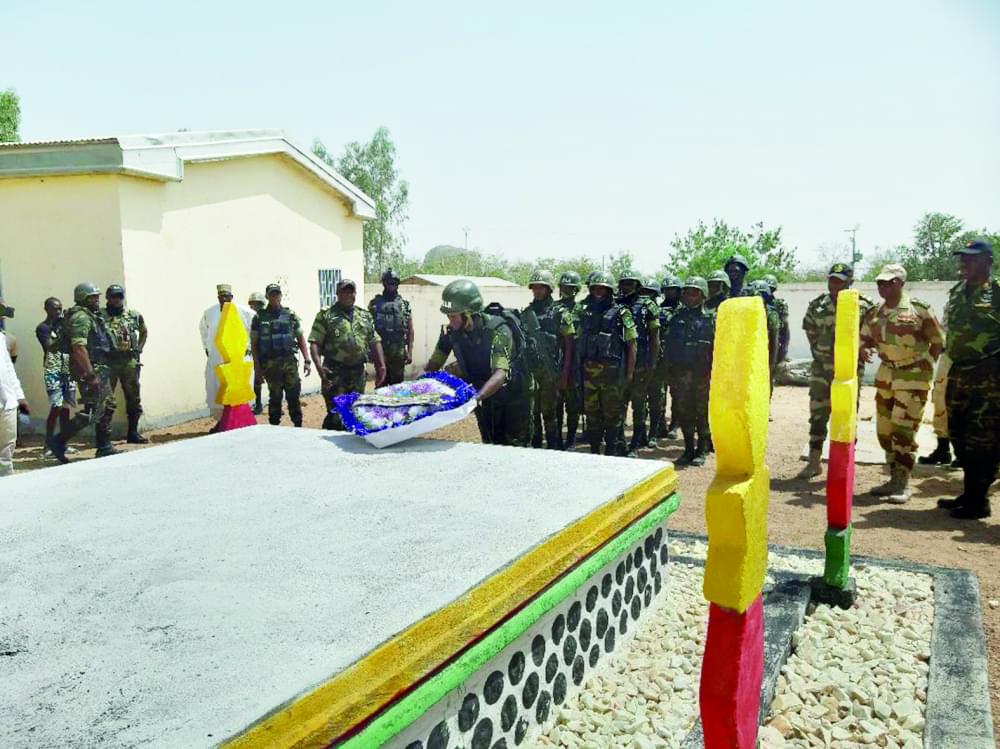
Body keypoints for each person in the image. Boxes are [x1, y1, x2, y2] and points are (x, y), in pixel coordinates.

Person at [859, 263, 943, 504]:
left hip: (913, 378)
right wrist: (863, 349)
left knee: (903, 429)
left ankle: (902, 482)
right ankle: (892, 478)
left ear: (900, 283)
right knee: (884, 430)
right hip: (886, 376)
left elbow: (937, 342)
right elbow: (863, 339)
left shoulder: (919, 310)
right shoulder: (875, 312)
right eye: (880, 283)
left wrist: (920, 367)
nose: (882, 286)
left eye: (888, 282)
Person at [425, 279, 534, 446]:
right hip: (486, 396)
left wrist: (476, 397)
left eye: (453, 316)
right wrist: (416, 390)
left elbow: (500, 373)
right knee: (490, 443)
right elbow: (433, 366)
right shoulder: (452, 333)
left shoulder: (498, 330)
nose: (450, 321)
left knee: (514, 449)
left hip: (513, 397)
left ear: (468, 314)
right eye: (448, 316)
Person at [936, 239, 999, 520]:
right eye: (962, 258)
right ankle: (970, 493)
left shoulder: (996, 293)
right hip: (959, 371)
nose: (964, 263)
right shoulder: (957, 291)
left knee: (982, 439)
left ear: (987, 260)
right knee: (959, 434)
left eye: (971, 258)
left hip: (989, 374)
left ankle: (978, 500)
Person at [798, 263, 874, 478]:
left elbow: (872, 334)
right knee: (818, 415)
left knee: (846, 417)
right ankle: (814, 462)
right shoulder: (818, 305)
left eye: (840, 281)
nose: (835, 284)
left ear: (850, 281)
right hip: (822, 370)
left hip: (848, 373)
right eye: (832, 279)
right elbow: (809, 330)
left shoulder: (864, 306)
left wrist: (863, 347)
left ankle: (842, 464)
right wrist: (821, 352)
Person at [46, 282, 118, 462]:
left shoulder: (91, 315)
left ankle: (103, 446)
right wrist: (90, 374)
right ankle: (58, 441)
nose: (96, 300)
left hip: (97, 366)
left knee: (104, 406)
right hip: (89, 369)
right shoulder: (81, 317)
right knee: (95, 408)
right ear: (82, 298)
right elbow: (79, 348)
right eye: (92, 297)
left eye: (96, 296)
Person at [309, 279, 386, 430]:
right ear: (337, 294)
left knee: (355, 412)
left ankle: (350, 448)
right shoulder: (326, 316)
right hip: (335, 373)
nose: (348, 294)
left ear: (355, 294)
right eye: (344, 291)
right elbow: (315, 343)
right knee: (337, 415)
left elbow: (374, 340)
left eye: (351, 291)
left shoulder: (364, 316)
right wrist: (319, 368)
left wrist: (381, 366)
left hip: (357, 373)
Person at [576, 271, 636, 455]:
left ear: (610, 290)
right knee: (592, 415)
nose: (598, 291)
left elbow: (632, 344)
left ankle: (611, 450)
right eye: (595, 288)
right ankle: (594, 450)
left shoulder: (622, 312)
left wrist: (629, 374)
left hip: (612, 374)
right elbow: (577, 339)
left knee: (612, 416)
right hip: (588, 373)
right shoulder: (584, 311)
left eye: (603, 288)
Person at [521, 270, 575, 449]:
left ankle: (554, 446)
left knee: (550, 413)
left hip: (552, 372)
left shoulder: (561, 313)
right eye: (534, 287)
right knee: (533, 413)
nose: (537, 291)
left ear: (549, 289)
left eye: (541, 287)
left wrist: (565, 374)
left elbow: (568, 346)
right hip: (531, 370)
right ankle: (536, 445)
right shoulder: (527, 313)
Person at [665, 277, 716, 466]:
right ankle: (688, 449)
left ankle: (702, 449)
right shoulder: (676, 318)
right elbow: (668, 346)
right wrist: (669, 372)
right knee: (684, 411)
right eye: (687, 292)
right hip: (681, 373)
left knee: (702, 412)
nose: (690, 296)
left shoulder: (711, 318)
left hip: (703, 375)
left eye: (694, 292)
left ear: (703, 295)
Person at [251, 283, 311, 427]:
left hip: (289, 363)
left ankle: (298, 426)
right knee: (275, 398)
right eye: (272, 294)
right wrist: (257, 368)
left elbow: (300, 338)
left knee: (293, 396)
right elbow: (254, 345)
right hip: (270, 365)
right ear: (267, 297)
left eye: (277, 294)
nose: (275, 297)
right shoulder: (259, 318)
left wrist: (307, 360)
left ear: (281, 296)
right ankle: (274, 427)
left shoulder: (290, 315)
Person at [200, 284, 256, 429]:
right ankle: (221, 421)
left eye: (227, 297)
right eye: (221, 297)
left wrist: (249, 348)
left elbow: (254, 329)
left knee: (239, 390)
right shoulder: (209, 313)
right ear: (218, 297)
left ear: (232, 297)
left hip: (238, 358)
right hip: (217, 358)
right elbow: (204, 332)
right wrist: (208, 349)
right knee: (217, 389)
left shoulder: (244, 312)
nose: (224, 300)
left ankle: (240, 419)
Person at [103, 284, 149, 444]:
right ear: (107, 298)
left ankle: (133, 433)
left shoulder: (133, 315)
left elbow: (144, 331)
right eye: (113, 297)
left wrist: (139, 349)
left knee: (133, 398)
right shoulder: (100, 316)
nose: (116, 300)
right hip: (108, 362)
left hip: (129, 361)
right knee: (105, 400)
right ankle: (104, 437)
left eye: (119, 296)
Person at [35, 297, 77, 455]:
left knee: (66, 407)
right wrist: (62, 333)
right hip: (53, 369)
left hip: (67, 367)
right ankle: (48, 443)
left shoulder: (64, 326)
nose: (58, 312)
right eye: (55, 309)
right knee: (56, 406)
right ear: (47, 309)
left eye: (60, 309)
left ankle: (63, 443)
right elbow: (49, 347)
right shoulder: (43, 328)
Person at [627, 276, 662, 453]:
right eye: (623, 283)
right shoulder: (620, 304)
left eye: (630, 284)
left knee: (640, 404)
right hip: (621, 364)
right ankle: (621, 441)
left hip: (642, 363)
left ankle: (638, 441)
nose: (627, 287)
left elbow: (655, 339)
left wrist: (652, 365)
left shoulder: (648, 307)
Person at [368, 269, 414, 386]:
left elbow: (410, 330)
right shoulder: (374, 304)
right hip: (380, 351)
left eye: (394, 282)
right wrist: (370, 352)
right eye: (389, 282)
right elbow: (368, 329)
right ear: (384, 283)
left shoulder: (404, 305)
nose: (391, 285)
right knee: (381, 382)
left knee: (398, 386)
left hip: (398, 351)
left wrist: (409, 351)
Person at [554, 270, 583, 448]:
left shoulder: (582, 310)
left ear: (576, 290)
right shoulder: (554, 308)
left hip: (577, 363)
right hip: (558, 361)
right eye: (564, 287)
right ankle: (557, 438)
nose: (567, 291)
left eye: (571, 288)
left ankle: (571, 440)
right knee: (556, 404)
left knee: (573, 406)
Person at [655, 275, 683, 440]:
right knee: (660, 393)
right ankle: (660, 425)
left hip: (678, 358)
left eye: (673, 289)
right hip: (660, 357)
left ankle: (674, 424)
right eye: (667, 289)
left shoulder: (683, 310)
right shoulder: (658, 310)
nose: (670, 292)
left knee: (677, 393)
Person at [0, 313, 28, 477]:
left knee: (7, 444)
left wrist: (19, 395)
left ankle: (6, 480)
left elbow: (9, 368)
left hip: (7, 400)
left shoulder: (2, 338)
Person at [918, 353, 952, 465]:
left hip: (981, 355)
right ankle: (943, 449)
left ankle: (966, 454)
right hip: (951, 352)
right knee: (940, 400)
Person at [750, 279, 781, 390]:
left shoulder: (771, 314)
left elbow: (774, 343)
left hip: (764, 360)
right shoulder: (745, 313)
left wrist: (770, 367)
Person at [764, 274, 791, 364]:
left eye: (771, 288)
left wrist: (784, 351)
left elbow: (785, 330)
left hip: (775, 340)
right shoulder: (756, 303)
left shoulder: (779, 304)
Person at [248, 291, 267, 414]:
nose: (255, 307)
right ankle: (258, 403)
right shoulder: (248, 316)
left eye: (257, 304)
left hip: (268, 351)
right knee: (257, 380)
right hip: (256, 352)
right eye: (253, 304)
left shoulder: (265, 317)